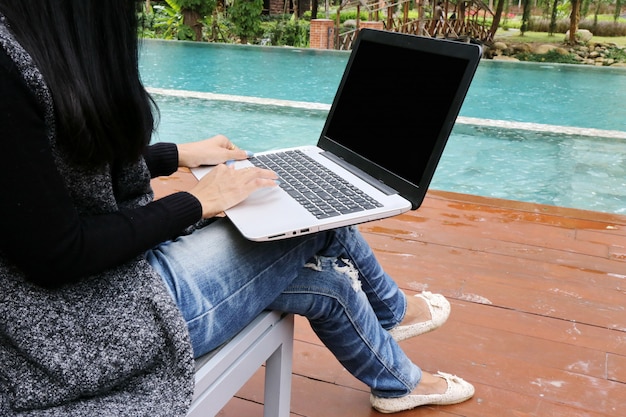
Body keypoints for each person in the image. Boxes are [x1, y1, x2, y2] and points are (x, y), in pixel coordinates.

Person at [0, 1, 474, 415]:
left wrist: (175, 155)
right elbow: (57, 252)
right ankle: (392, 314)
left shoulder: (25, 42)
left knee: (325, 275)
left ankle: (399, 381)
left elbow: (46, 179)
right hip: (71, 334)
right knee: (306, 215)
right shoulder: (6, 66)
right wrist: (197, 202)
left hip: (92, 294)